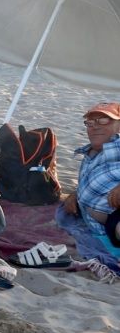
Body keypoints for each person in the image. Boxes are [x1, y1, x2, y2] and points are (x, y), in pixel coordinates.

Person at [64, 102, 120, 248]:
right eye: (90, 122)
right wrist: (76, 194)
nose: (95, 126)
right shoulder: (90, 153)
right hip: (103, 228)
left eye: (103, 120)